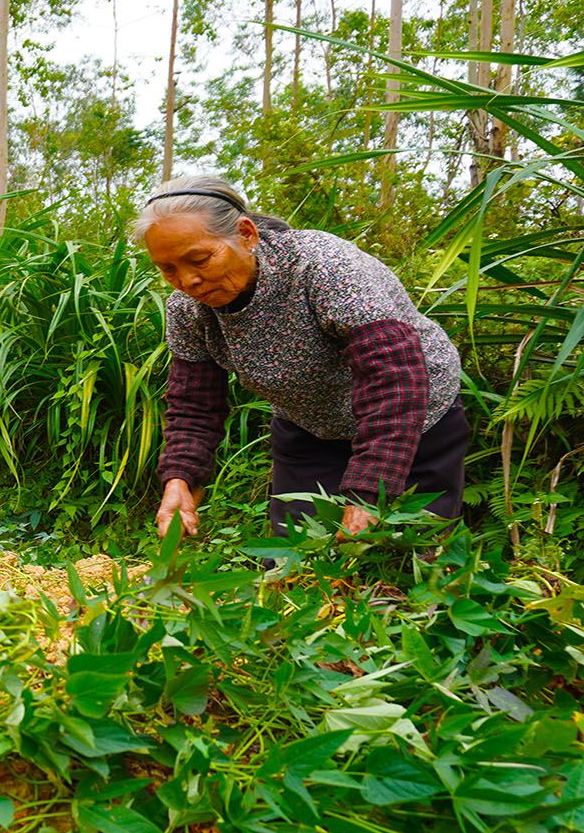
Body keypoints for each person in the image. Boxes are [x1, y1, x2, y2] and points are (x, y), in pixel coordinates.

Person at [137, 173, 468, 551]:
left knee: (406, 557)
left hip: (411, 417)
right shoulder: (187, 308)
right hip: (310, 427)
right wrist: (180, 478)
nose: (188, 281)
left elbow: (392, 375)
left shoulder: (324, 267)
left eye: (199, 259)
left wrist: (369, 489)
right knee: (298, 560)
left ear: (246, 234)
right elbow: (194, 404)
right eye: (167, 269)